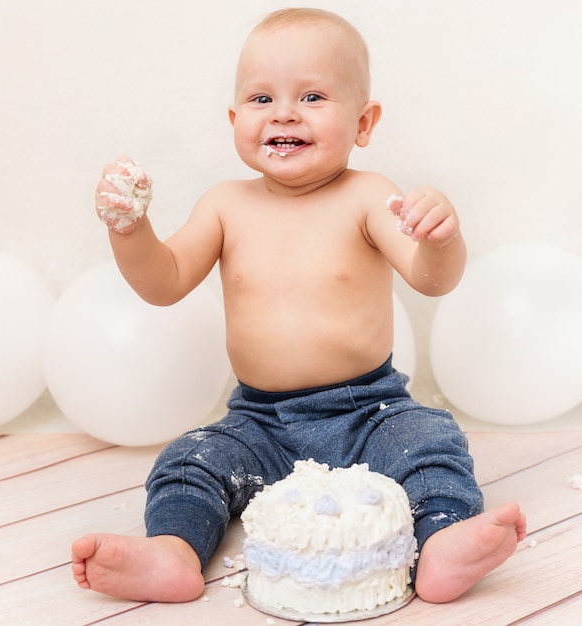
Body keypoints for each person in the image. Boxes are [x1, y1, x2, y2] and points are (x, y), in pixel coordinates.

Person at [71, 7, 526, 605]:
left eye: (312, 95)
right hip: (260, 420)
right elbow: (165, 282)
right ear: (234, 119)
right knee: (191, 461)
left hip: (370, 409)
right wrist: (130, 231)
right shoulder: (224, 205)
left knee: (431, 443)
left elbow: (430, 280)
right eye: (261, 98)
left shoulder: (368, 196)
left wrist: (442, 239)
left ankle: (441, 543)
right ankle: (174, 551)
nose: (284, 112)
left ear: (363, 122)